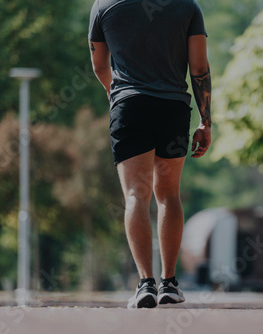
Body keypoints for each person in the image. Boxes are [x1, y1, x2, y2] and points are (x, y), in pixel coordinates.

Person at [88, 0, 211, 309]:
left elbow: (99, 65)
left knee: (135, 195)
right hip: (173, 108)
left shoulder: (104, 5)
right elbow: (199, 68)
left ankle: (145, 284)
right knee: (168, 194)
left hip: (129, 105)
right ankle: (169, 283)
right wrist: (206, 120)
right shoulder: (187, 6)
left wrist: (116, 95)